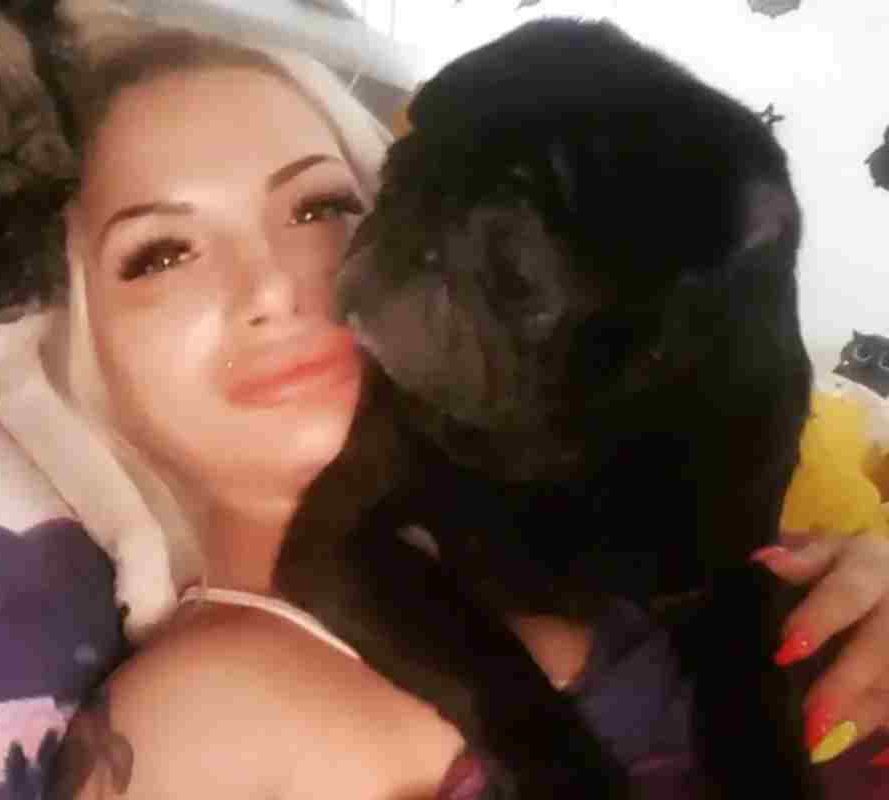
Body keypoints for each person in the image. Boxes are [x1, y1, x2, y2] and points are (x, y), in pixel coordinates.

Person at [45, 28, 889, 799]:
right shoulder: (190, 730)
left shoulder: (619, 518)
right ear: (75, 341)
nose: (275, 285)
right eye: (160, 255)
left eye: (320, 207)